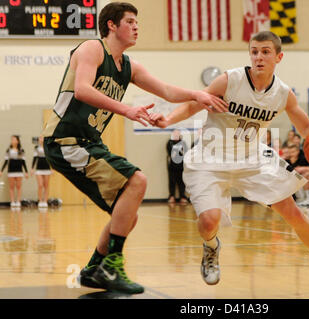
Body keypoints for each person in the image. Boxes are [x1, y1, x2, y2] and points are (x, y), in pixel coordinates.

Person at [149, 31, 309, 288]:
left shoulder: (283, 94)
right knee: (209, 221)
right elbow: (193, 105)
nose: (259, 57)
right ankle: (211, 247)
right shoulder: (229, 80)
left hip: (252, 160)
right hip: (210, 160)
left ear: (278, 56)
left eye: (265, 52)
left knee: (293, 212)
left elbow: (306, 128)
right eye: (254, 51)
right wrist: (167, 120)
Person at [41, 2, 227, 294]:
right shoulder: (91, 49)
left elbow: (165, 90)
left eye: (137, 22)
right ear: (112, 25)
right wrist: (127, 110)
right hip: (66, 139)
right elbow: (82, 90)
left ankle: (94, 269)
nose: (136, 26)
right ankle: (113, 265)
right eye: (129, 21)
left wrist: (197, 94)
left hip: (89, 142)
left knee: (125, 215)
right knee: (138, 180)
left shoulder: (129, 66)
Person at [0, 135, 29, 208]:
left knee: (19, 186)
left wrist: (26, 171)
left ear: (18, 141)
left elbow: (23, 162)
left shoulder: (21, 150)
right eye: (12, 139)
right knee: (11, 187)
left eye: (14, 139)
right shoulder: (8, 150)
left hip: (19, 170)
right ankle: (12, 201)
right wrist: (1, 170)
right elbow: (6, 161)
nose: (12, 141)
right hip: (11, 170)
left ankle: (18, 201)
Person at [166, 129, 188, 204]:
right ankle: (172, 196)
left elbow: (185, 152)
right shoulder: (170, 142)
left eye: (177, 134)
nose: (176, 135)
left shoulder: (183, 143)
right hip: (172, 166)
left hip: (181, 166)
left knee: (181, 182)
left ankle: (182, 196)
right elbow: (170, 152)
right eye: (174, 134)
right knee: (172, 181)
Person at [31, 136, 52, 208]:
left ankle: (45, 201)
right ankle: (40, 201)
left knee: (46, 185)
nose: (41, 139)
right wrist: (32, 168)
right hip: (39, 168)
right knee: (40, 185)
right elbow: (35, 158)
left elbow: (51, 158)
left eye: (42, 138)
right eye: (40, 138)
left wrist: (52, 168)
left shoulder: (48, 147)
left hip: (47, 168)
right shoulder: (36, 148)